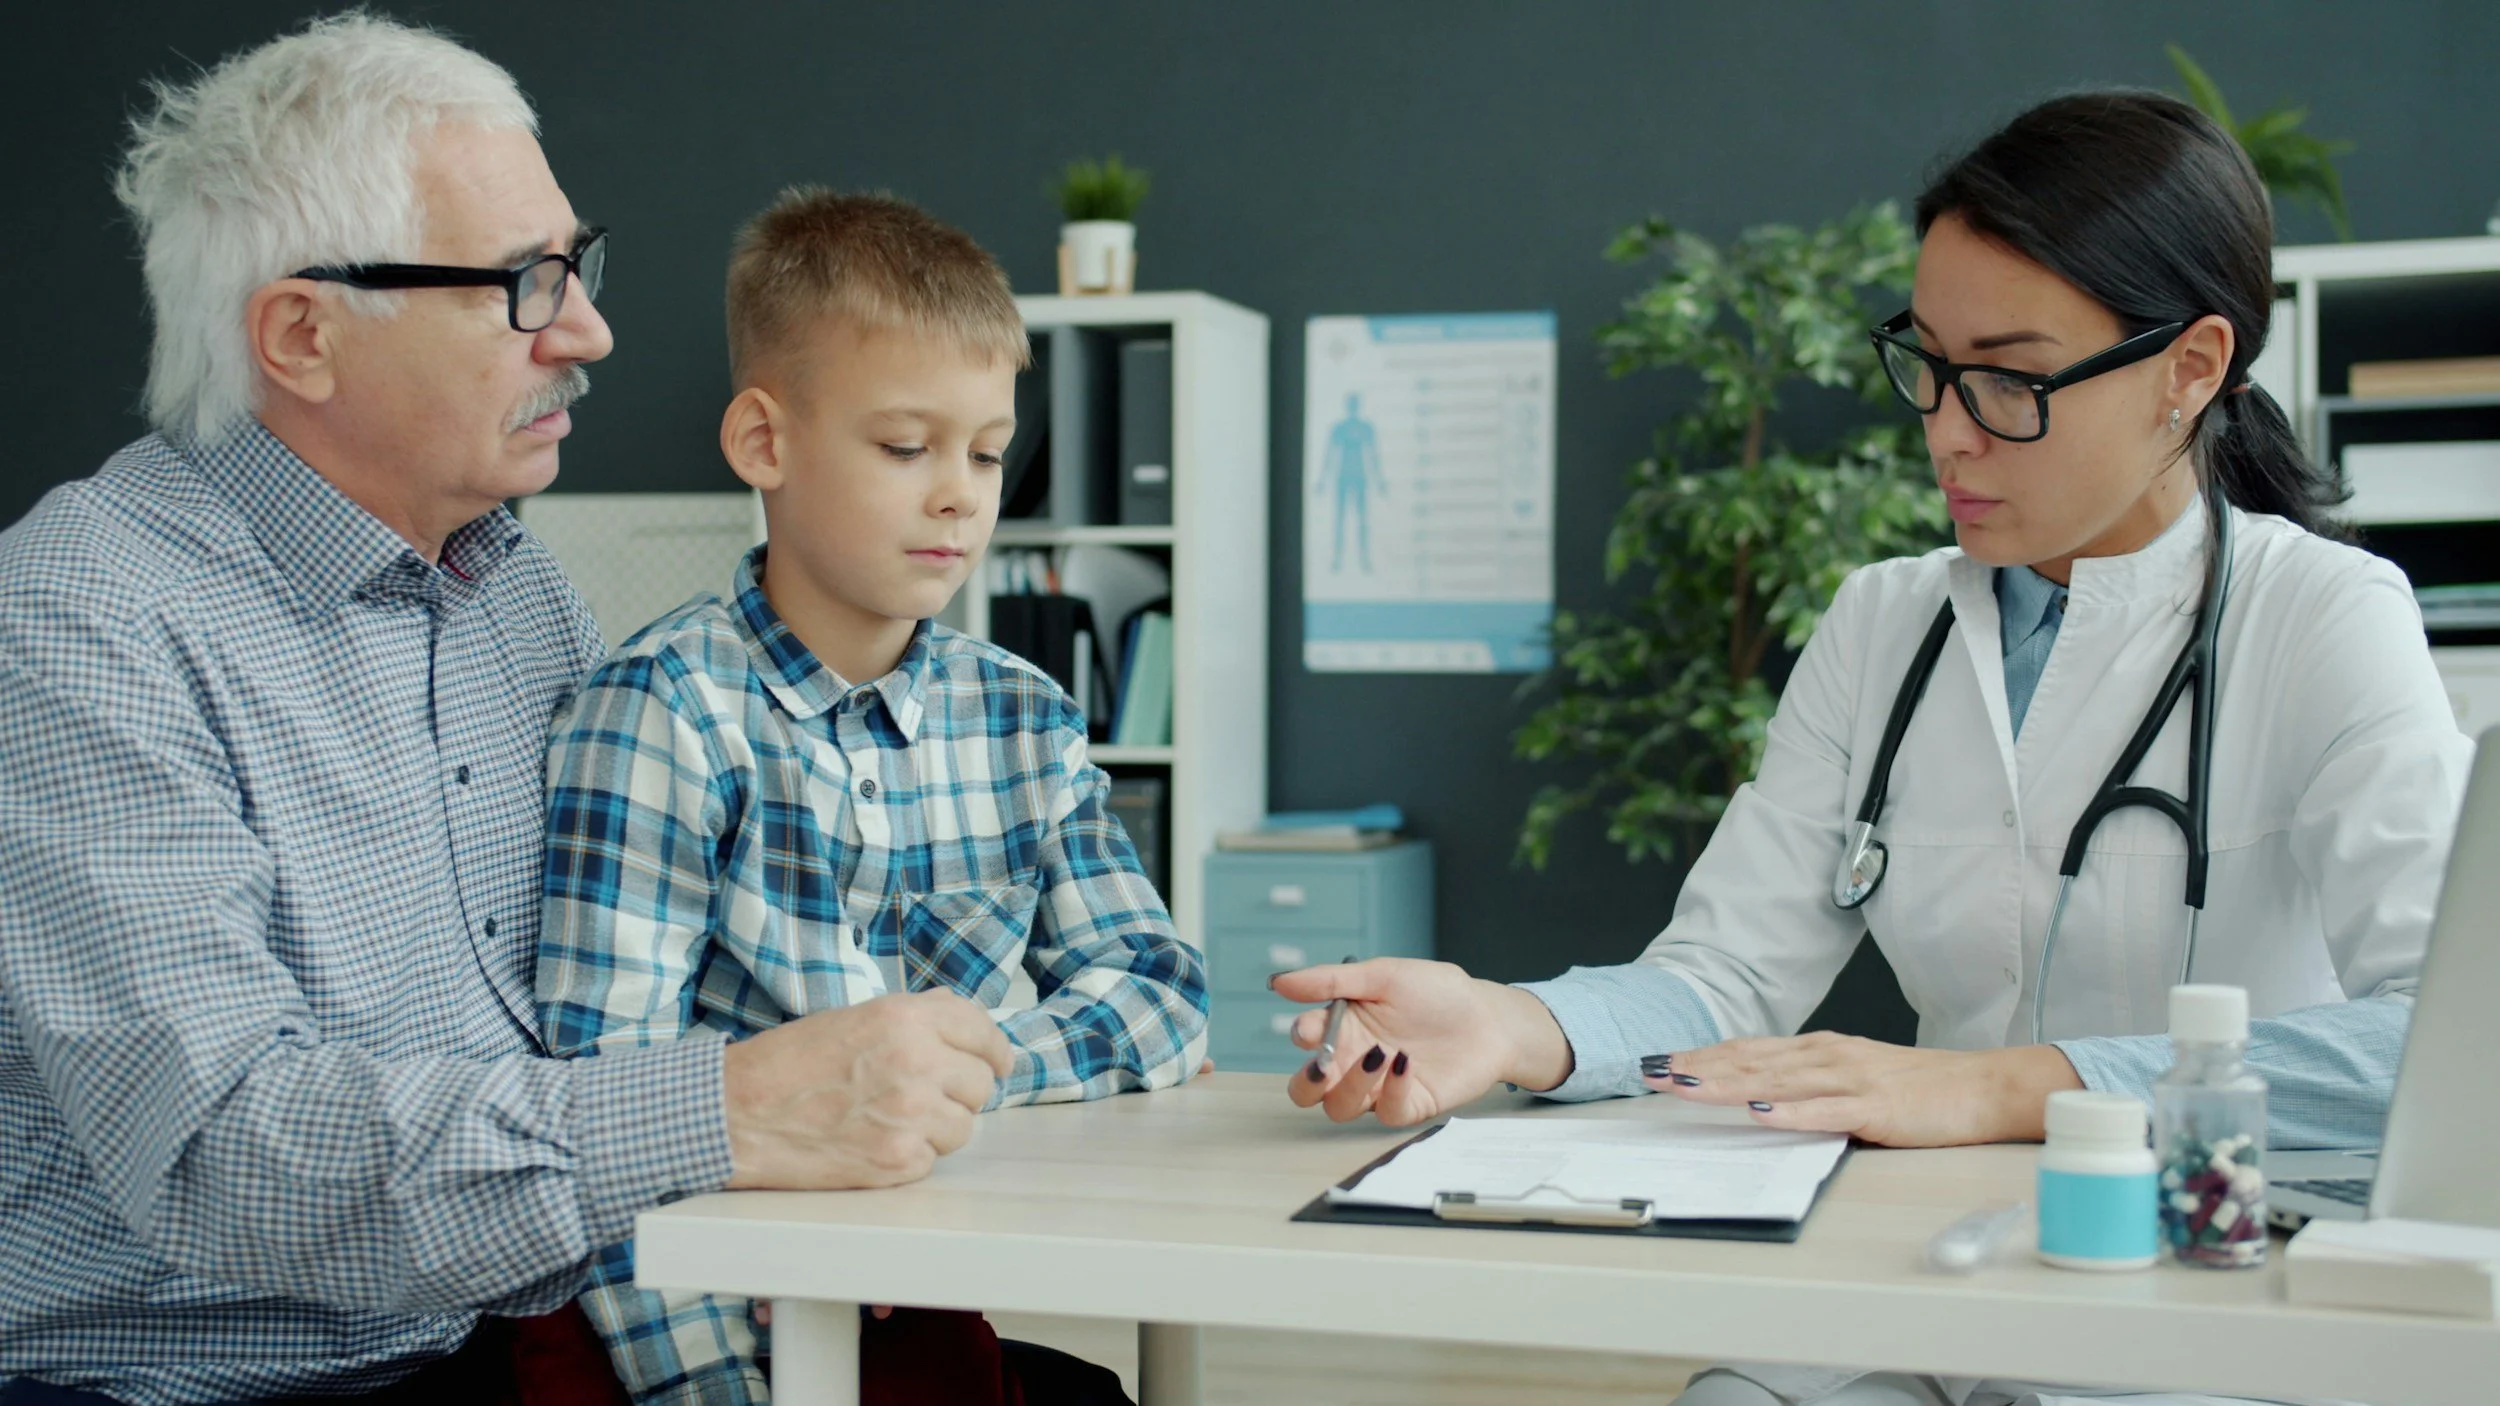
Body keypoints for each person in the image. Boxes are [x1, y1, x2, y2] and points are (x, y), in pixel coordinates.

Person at [1271, 90, 2471, 1406]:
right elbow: (1725, 976)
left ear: (2190, 368)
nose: (1947, 429)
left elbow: (2444, 1051)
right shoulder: (1882, 624)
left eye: (2012, 379)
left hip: (2199, 1305)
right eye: (1932, 363)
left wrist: (1999, 1087)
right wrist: (1511, 1023)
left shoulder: (2323, 620)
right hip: (1929, 1280)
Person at [0, 18, 1011, 1404]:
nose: (588, 328)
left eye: (575, 264)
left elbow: (653, 972)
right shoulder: (78, 617)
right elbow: (222, 1152)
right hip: (218, 1379)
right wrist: (732, 1111)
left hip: (518, 1330)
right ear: (303, 332)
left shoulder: (518, 591)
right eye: (524, 285)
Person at [535, 186, 1209, 1405]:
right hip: (686, 1325)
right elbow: (605, 1124)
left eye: (989, 451)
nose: (960, 492)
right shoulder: (662, 711)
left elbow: (1159, 990)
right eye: (906, 446)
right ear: (764, 444)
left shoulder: (1022, 713)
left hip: (909, 1290)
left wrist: (944, 1084)